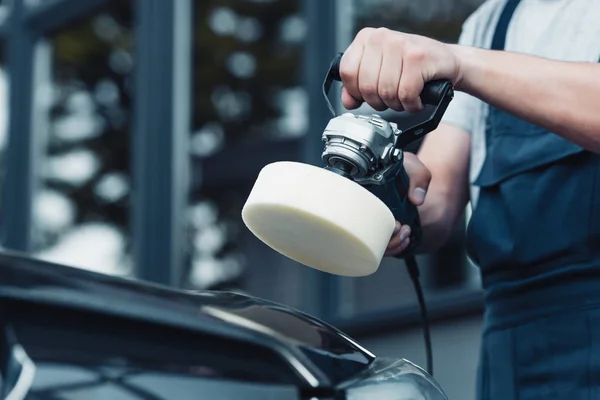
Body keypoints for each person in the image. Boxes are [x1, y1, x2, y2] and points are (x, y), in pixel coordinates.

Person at [338, 0, 600, 398]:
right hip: (514, 347)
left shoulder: (469, 54)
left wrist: (461, 65)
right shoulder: (490, 22)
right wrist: (390, 186)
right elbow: (436, 201)